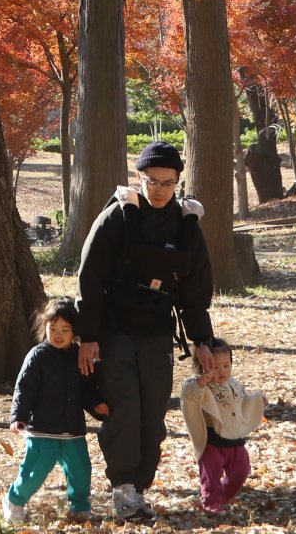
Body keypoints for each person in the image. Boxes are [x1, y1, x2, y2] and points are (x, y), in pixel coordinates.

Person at [75, 140, 218, 520]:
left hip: (157, 333)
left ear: (177, 183)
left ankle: (139, 489)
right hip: (114, 330)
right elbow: (89, 280)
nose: (158, 189)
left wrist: (202, 340)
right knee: (125, 410)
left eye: (167, 183)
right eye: (151, 181)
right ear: (139, 178)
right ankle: (123, 491)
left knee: (152, 416)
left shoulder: (187, 226)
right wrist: (88, 336)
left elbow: (195, 291)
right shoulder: (117, 217)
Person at [4, 298, 110, 524]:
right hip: (43, 430)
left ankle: (80, 506)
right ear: (44, 327)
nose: (58, 334)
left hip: (72, 430)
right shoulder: (38, 356)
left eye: (65, 329)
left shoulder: (78, 356)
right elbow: (24, 388)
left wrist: (96, 406)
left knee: (81, 470)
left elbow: (87, 388)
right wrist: (19, 417)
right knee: (34, 473)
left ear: (75, 332)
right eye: (52, 329)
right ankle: (14, 500)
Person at [179, 338, 267, 515]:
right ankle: (210, 501)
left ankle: (225, 494)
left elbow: (242, 402)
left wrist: (258, 401)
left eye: (226, 366)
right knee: (211, 475)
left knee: (241, 470)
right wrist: (201, 383)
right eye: (216, 367)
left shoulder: (233, 384)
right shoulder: (199, 385)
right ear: (203, 365)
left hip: (235, 438)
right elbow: (190, 396)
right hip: (212, 441)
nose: (222, 371)